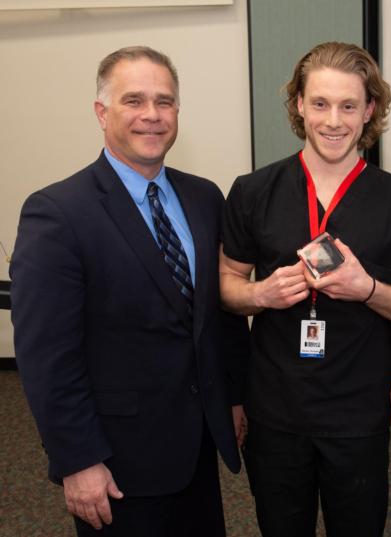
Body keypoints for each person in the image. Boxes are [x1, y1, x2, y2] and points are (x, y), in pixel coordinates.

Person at [10, 46, 249, 537]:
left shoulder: (204, 196)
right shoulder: (57, 213)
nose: (152, 116)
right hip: (117, 463)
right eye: (133, 101)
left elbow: (217, 315)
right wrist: (77, 459)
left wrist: (234, 397)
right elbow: (46, 355)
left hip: (198, 447)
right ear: (102, 112)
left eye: (165, 102)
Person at [219, 41, 391, 537]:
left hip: (358, 410)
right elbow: (225, 286)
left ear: (370, 110)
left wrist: (369, 289)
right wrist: (261, 295)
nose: (333, 120)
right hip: (275, 408)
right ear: (299, 104)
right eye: (320, 103)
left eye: (348, 105)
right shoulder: (253, 191)